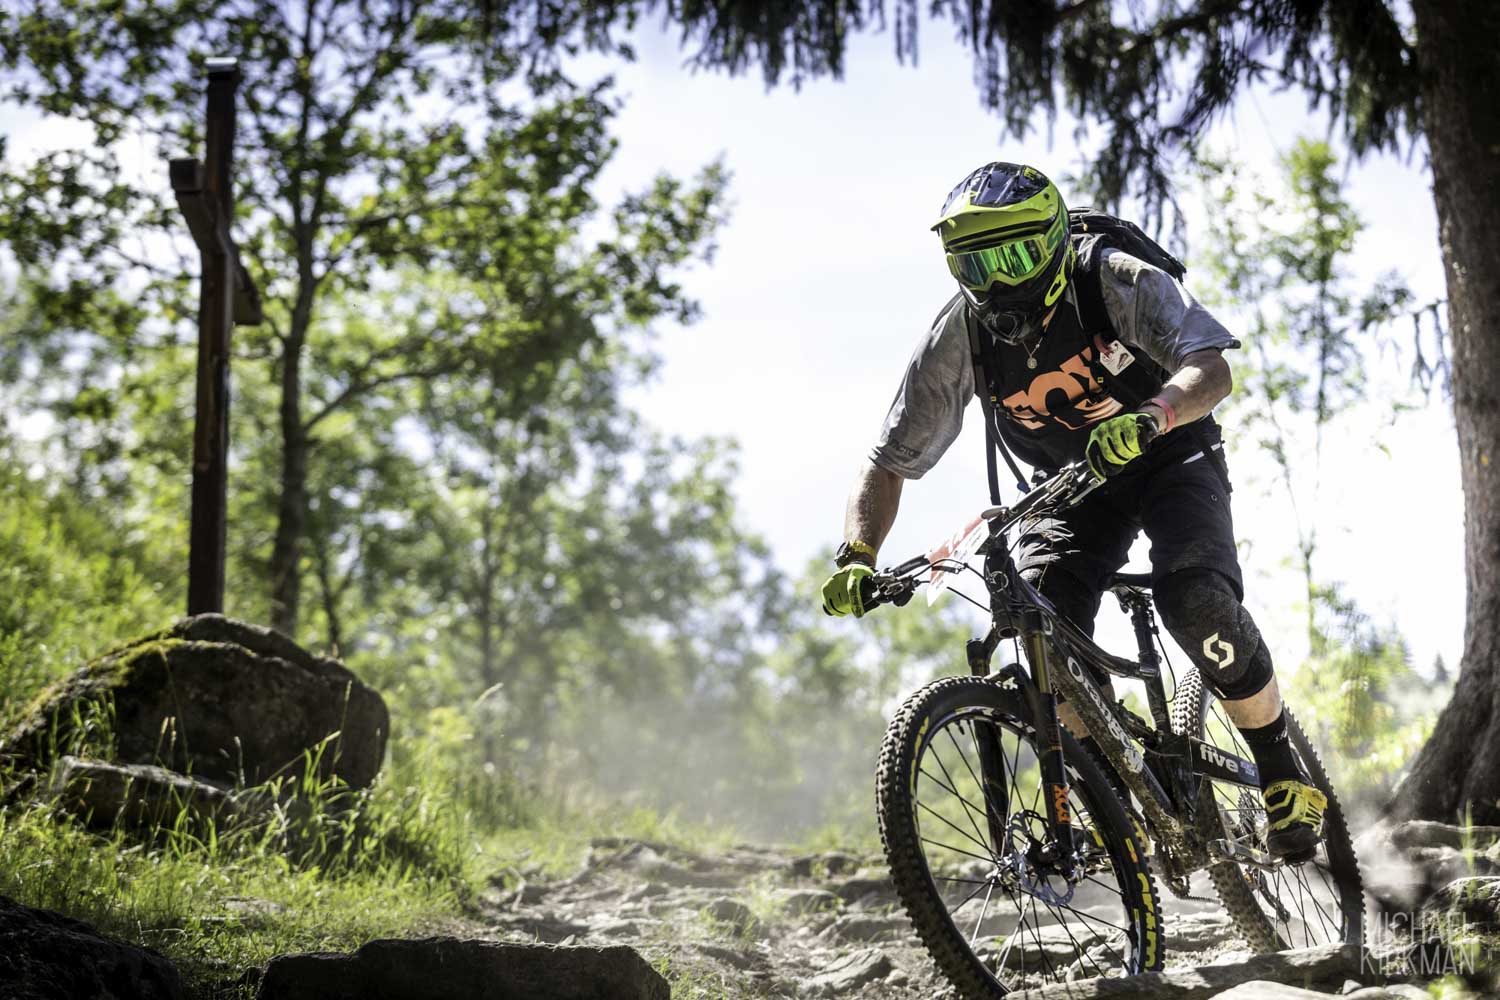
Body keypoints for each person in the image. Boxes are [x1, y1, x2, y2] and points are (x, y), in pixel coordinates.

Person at [819, 161, 1325, 861]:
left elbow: (1211, 366)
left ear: (1054, 240)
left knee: (1196, 602)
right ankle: (1120, 795)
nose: (998, 283)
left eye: (1015, 257)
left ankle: (1279, 768)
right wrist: (857, 553)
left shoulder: (1110, 277)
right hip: (1070, 485)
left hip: (1170, 452)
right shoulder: (960, 336)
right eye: (976, 264)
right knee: (1039, 635)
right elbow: (889, 460)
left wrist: (1153, 415)